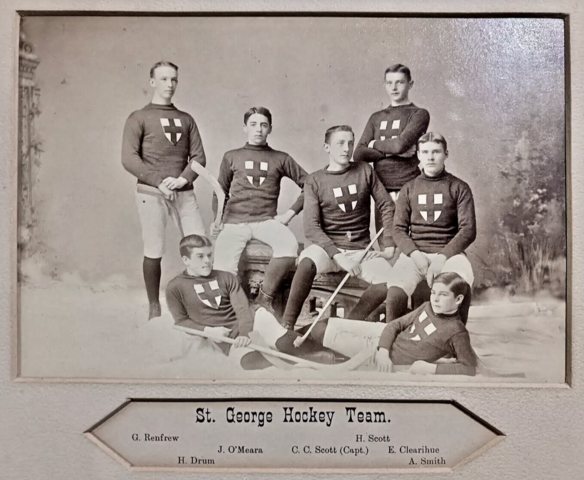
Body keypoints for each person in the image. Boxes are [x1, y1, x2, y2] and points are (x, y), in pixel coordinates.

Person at [279, 125, 396, 331]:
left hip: (361, 250)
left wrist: (388, 243)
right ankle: (287, 326)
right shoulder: (314, 180)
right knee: (306, 261)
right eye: (340, 143)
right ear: (327, 147)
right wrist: (338, 256)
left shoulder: (364, 171)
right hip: (328, 249)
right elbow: (311, 228)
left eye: (350, 143)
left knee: (391, 282)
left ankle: (345, 326)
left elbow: (386, 205)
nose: (346, 148)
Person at [166, 235, 340, 369]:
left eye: (209, 255)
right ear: (186, 260)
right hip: (227, 337)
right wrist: (210, 331)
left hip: (253, 321)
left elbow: (242, 308)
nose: (207, 261)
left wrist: (244, 333)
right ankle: (310, 344)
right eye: (200, 256)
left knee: (284, 343)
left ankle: (337, 359)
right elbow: (181, 322)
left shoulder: (225, 277)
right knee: (249, 363)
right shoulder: (175, 287)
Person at [122, 61, 206, 320]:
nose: (169, 85)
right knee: (154, 247)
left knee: (199, 245)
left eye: (173, 80)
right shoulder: (139, 117)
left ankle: (200, 306)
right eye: (164, 79)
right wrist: (159, 181)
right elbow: (129, 158)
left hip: (183, 191)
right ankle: (154, 307)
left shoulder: (186, 119)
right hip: (151, 193)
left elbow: (199, 158)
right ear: (152, 82)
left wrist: (182, 180)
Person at [212, 107, 307, 315]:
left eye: (263, 125)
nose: (258, 130)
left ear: (270, 129)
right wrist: (217, 220)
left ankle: (263, 300)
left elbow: (312, 186)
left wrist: (289, 214)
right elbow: (219, 193)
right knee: (223, 265)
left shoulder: (281, 158)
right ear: (244, 127)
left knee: (289, 246)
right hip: (234, 222)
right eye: (253, 124)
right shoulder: (231, 157)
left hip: (266, 221)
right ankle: (232, 311)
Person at [304, 272, 476, 376]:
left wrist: (431, 369)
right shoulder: (427, 306)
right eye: (433, 293)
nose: (435, 299)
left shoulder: (456, 331)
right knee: (327, 322)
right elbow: (393, 325)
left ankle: (289, 345)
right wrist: (383, 352)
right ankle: (290, 340)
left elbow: (469, 368)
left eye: (443, 295)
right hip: (383, 338)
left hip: (378, 351)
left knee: (320, 331)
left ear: (458, 299)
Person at [386, 131, 476, 323]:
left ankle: (454, 339)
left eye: (436, 151)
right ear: (418, 155)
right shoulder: (408, 188)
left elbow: (468, 230)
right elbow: (398, 229)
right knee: (395, 291)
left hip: (449, 254)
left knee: (460, 282)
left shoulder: (459, 187)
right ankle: (391, 342)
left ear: (446, 154)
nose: (431, 157)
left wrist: (442, 257)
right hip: (415, 254)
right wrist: (415, 254)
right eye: (425, 152)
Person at [353, 64, 430, 247]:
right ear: (385, 85)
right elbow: (359, 154)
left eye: (400, 82)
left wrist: (375, 145)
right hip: (381, 189)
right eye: (390, 83)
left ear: (410, 84)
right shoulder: (376, 117)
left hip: (410, 187)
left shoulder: (418, 114)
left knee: (411, 243)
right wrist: (393, 150)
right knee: (387, 243)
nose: (394, 88)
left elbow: (400, 144)